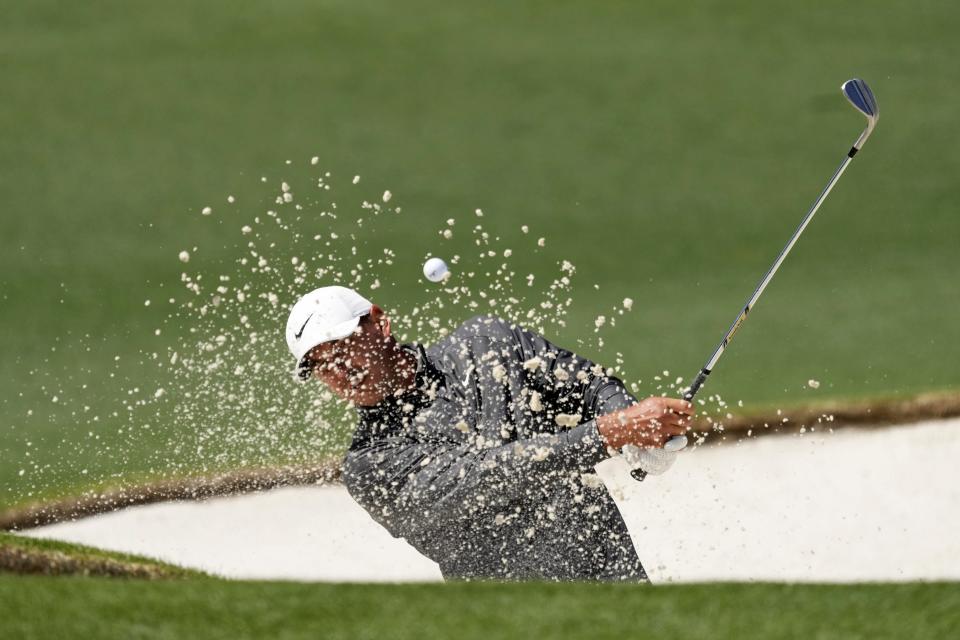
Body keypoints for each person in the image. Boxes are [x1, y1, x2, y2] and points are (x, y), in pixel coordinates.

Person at [285, 285, 693, 581]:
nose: (338, 371)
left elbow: (586, 384)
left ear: (379, 322)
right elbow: (489, 475)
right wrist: (610, 433)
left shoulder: (486, 344)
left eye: (341, 348)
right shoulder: (370, 465)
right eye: (321, 366)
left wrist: (637, 429)